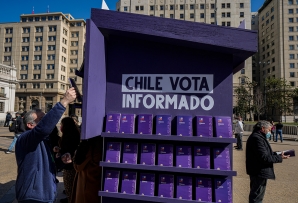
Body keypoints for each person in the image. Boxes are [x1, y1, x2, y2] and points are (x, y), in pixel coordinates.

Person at [14, 88, 76, 203]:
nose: (46, 121)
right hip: (33, 196)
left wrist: (61, 160)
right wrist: (64, 102)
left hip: (45, 195)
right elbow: (43, 129)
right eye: (42, 120)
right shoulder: (26, 138)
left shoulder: (44, 141)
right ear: (30, 125)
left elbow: (48, 166)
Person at [246, 120, 290, 203]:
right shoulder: (257, 138)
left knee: (257, 195)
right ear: (263, 128)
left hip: (258, 171)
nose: (270, 131)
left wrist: (278, 154)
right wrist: (279, 158)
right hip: (259, 171)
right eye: (269, 130)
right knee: (256, 197)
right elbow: (264, 158)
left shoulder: (258, 137)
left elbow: (264, 154)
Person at [70, 136, 102, 203]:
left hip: (85, 189)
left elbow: (78, 164)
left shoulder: (88, 144)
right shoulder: (100, 145)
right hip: (92, 189)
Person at [57, 117, 81, 203]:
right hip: (73, 164)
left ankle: (70, 199)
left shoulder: (68, 137)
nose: (60, 126)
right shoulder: (75, 134)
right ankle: (70, 197)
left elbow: (67, 150)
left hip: (69, 165)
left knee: (69, 184)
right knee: (72, 185)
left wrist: (60, 151)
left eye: (62, 124)